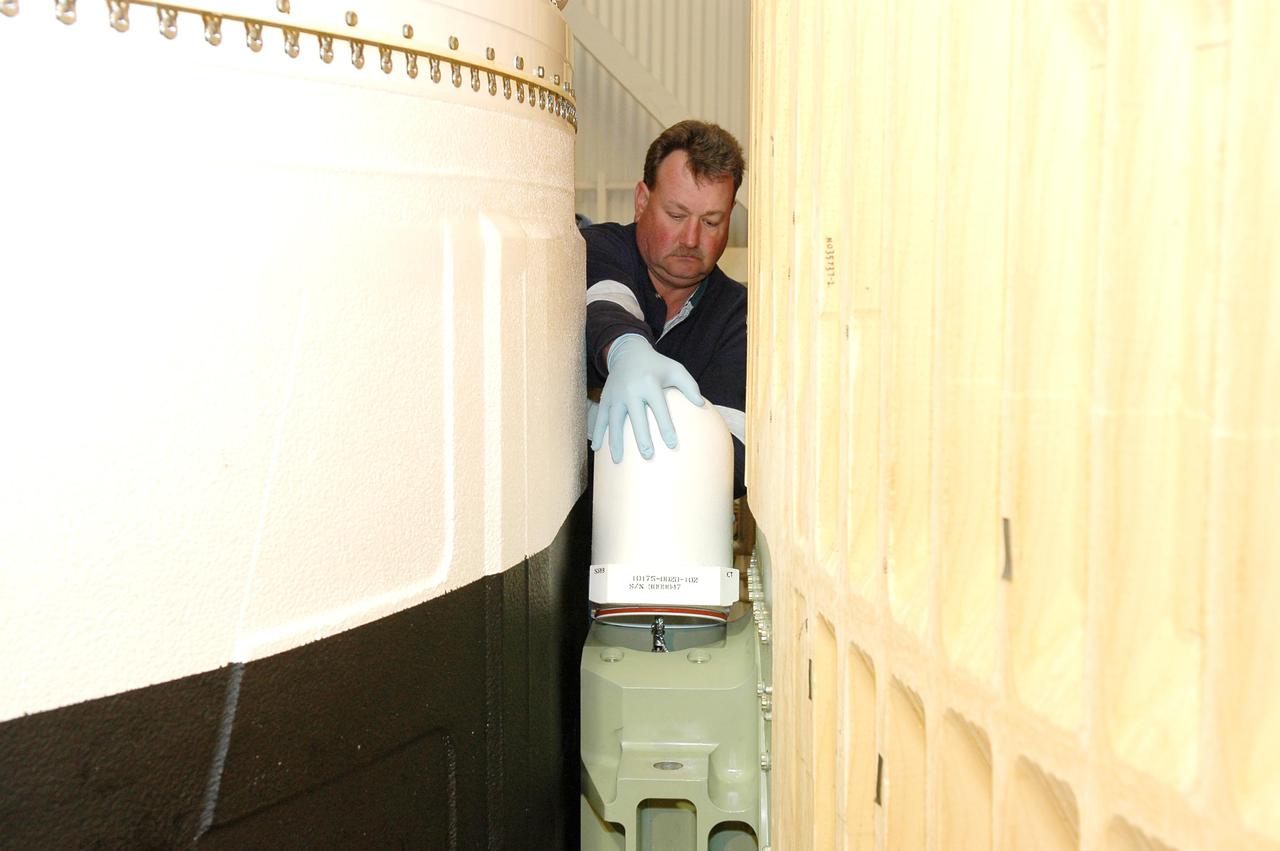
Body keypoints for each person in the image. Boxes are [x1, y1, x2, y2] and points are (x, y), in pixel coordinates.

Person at [583, 120, 747, 498]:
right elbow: (607, 301)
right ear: (642, 201)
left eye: (711, 221)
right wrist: (626, 349)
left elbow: (732, 457)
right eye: (676, 216)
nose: (691, 239)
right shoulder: (595, 251)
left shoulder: (734, 315)